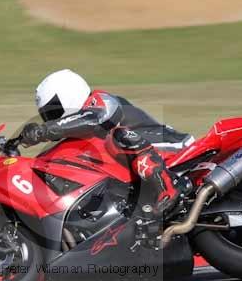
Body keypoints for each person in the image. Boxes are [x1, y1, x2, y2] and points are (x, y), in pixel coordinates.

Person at [20, 69, 195, 218]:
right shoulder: (79, 133)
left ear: (69, 95)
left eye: (53, 110)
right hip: (139, 170)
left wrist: (44, 131)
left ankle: (167, 186)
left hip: (171, 148)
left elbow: (94, 119)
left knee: (118, 136)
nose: (51, 118)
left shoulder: (101, 101)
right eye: (46, 115)